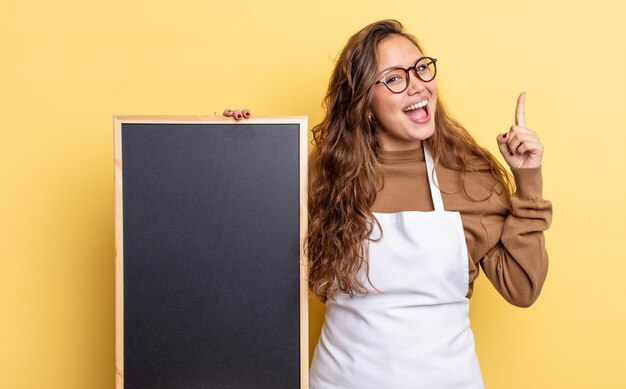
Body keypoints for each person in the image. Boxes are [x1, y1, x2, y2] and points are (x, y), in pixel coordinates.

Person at [305, 20, 552, 389]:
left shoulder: (469, 175)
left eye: (420, 68)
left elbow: (522, 289)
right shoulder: (323, 176)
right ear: (365, 106)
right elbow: (259, 270)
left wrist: (528, 181)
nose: (418, 84)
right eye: (394, 78)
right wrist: (232, 143)